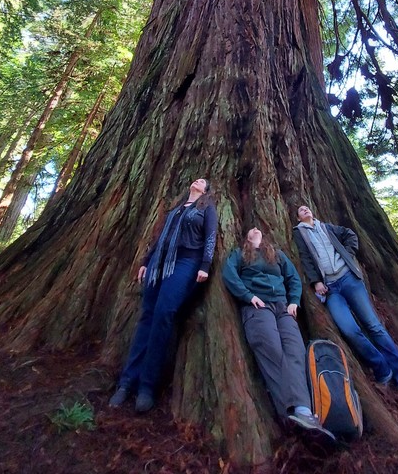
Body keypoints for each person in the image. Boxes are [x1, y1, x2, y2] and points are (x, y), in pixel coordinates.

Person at [109, 177, 217, 412]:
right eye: (197, 178)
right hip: (159, 263)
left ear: (206, 191)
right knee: (147, 316)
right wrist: (146, 261)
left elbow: (210, 236)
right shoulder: (177, 208)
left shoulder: (207, 208)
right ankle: (127, 382)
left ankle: (147, 386)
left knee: (163, 314)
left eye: (204, 181)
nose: (199, 179)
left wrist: (205, 265)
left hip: (187, 263)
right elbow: (160, 238)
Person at [223, 227, 334, 441]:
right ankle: (290, 413)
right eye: (251, 229)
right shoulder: (239, 254)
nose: (255, 228)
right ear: (246, 237)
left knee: (295, 351)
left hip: (283, 307)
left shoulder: (276, 254)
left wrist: (294, 301)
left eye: (258, 228)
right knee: (272, 350)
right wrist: (247, 296)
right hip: (258, 307)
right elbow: (229, 274)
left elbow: (293, 278)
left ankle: (305, 413)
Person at [293, 205, 398, 393]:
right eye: (301, 211)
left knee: (374, 326)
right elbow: (305, 259)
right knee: (349, 330)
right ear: (298, 218)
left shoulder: (326, 227)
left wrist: (347, 254)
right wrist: (316, 281)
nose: (305, 210)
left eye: (307, 208)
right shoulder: (300, 234)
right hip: (331, 289)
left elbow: (350, 234)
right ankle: (382, 369)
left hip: (349, 279)